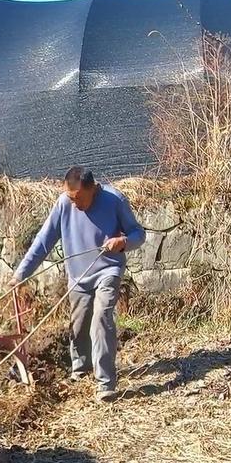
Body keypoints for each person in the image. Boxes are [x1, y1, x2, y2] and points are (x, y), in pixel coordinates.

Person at [14, 166, 145, 403]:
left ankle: (106, 384)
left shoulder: (114, 200)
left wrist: (123, 241)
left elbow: (139, 234)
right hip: (78, 277)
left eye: (78, 199)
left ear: (93, 190)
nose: (74, 204)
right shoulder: (64, 203)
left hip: (108, 270)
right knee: (79, 324)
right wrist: (21, 274)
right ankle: (81, 369)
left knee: (102, 319)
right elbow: (43, 241)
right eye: (70, 198)